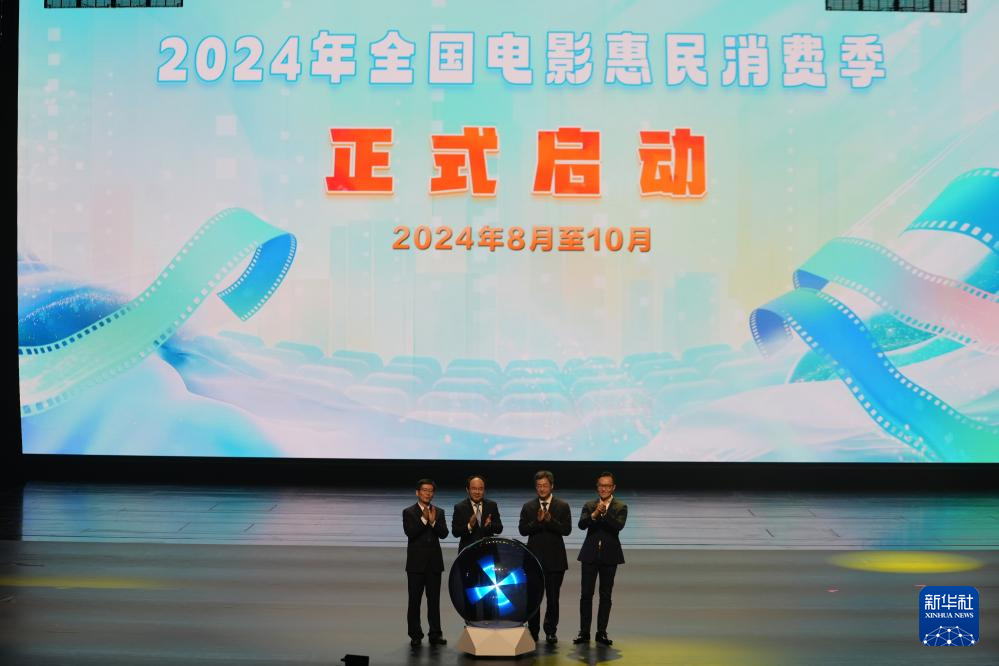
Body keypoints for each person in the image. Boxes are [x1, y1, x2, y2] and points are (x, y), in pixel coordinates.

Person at [573, 472, 627, 647]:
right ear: (597, 487)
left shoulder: (621, 506)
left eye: (607, 486)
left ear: (613, 488)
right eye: (601, 486)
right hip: (590, 555)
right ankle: (584, 632)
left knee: (606, 595)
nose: (604, 489)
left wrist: (605, 514)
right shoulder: (590, 505)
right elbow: (581, 525)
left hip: (610, 556)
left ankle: (601, 632)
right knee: (586, 595)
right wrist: (595, 513)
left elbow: (618, 526)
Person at [519, 470, 571, 645]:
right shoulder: (528, 506)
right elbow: (522, 530)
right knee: (533, 598)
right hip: (533, 560)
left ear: (552, 486)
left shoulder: (562, 506)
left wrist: (550, 520)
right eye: (539, 486)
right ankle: (533, 632)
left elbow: (567, 530)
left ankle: (550, 631)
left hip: (555, 561)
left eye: (545, 486)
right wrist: (537, 521)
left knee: (553, 599)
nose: (542, 489)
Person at [403, 478, 449, 647]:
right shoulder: (409, 512)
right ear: (418, 492)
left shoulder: (439, 512)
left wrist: (433, 521)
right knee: (414, 601)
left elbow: (444, 534)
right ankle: (415, 635)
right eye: (424, 490)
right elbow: (410, 533)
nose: (428, 493)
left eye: (430, 491)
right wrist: (423, 520)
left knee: (434, 601)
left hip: (434, 564)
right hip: (416, 565)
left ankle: (435, 634)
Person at [452, 474, 503, 552]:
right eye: (474, 488)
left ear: (484, 490)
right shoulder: (460, 507)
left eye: (480, 489)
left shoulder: (492, 505)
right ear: (467, 490)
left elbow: (499, 529)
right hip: (468, 552)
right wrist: (469, 525)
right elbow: (455, 532)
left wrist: (490, 525)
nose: (477, 492)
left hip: (488, 551)